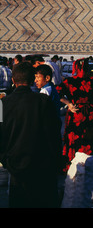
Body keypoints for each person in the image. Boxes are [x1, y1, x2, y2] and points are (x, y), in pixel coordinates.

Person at [0, 61, 62, 207]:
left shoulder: (3, 104)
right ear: (32, 80)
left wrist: (6, 160)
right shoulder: (43, 101)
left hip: (16, 166)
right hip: (42, 166)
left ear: (13, 80)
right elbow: (54, 134)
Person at [56, 58, 93, 173]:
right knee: (91, 140)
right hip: (91, 114)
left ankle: (74, 166)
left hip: (76, 114)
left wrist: (69, 104)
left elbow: (57, 92)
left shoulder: (69, 81)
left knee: (76, 140)